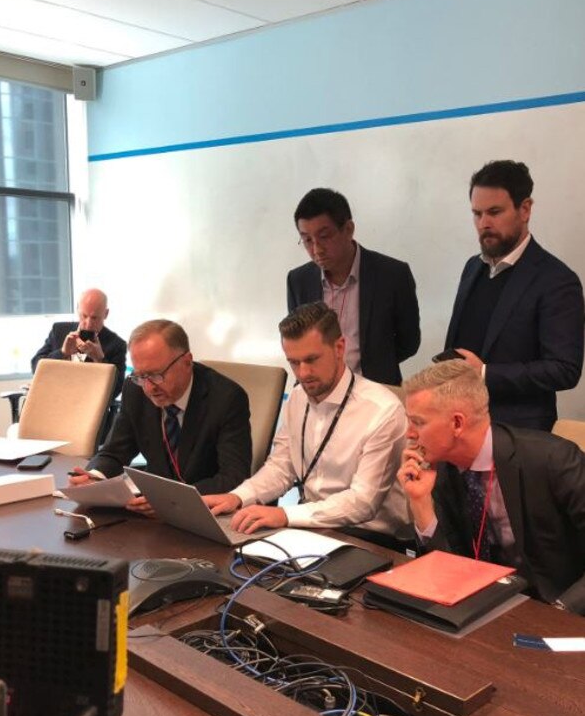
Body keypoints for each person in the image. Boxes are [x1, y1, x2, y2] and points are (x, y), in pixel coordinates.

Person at [204, 302, 410, 543]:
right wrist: (239, 497)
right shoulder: (298, 397)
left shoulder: (382, 410)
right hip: (310, 525)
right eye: (294, 362)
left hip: (370, 536)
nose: (303, 373)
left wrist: (284, 515)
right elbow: (281, 466)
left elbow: (363, 503)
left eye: (312, 359)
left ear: (339, 348)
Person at [397, 359, 585, 614]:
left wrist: (561, 611)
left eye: (418, 422)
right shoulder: (440, 469)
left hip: (555, 606)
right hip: (484, 606)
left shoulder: (552, 460)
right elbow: (447, 573)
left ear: (457, 424)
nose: (409, 434)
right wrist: (420, 505)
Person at [444, 160, 584, 431]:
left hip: (518, 438)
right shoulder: (473, 267)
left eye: (494, 212)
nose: (484, 223)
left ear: (525, 209)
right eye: (477, 213)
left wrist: (485, 374)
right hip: (461, 426)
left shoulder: (557, 280)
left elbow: (564, 369)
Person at [69, 319, 252, 513]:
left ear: (187, 362)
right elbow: (114, 451)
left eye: (156, 375)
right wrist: (95, 477)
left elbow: (233, 478)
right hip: (151, 514)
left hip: (205, 513)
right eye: (140, 376)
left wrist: (169, 499)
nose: (149, 388)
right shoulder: (135, 389)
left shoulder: (227, 398)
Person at [286, 188, 420, 385]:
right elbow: (298, 340)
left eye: (324, 236)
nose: (316, 249)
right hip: (319, 392)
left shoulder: (392, 275)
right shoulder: (298, 280)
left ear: (348, 229)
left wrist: (377, 364)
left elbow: (409, 342)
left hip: (375, 391)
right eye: (307, 240)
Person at [32, 288, 127, 397]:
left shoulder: (117, 345)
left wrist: (100, 360)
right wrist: (62, 353)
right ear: (78, 309)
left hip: (91, 406)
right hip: (56, 399)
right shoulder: (58, 331)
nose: (88, 323)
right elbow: (36, 367)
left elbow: (115, 391)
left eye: (94, 318)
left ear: (105, 314)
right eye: (84, 316)